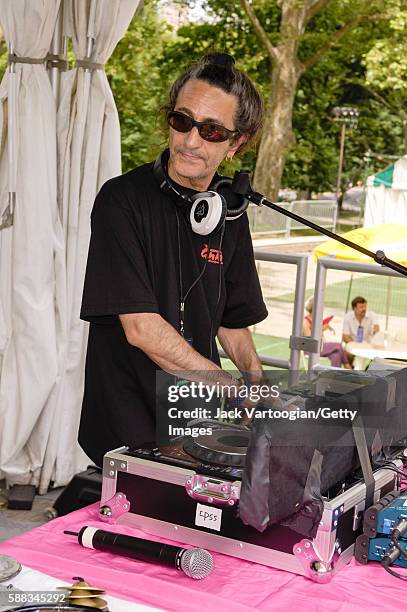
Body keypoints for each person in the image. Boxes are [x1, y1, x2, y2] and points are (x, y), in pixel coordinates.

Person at [78, 53, 268, 467]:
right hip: (128, 428)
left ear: (236, 143)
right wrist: (230, 386)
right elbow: (141, 328)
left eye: (212, 130)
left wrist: (259, 384)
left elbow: (232, 323)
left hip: (195, 426)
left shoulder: (228, 212)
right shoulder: (121, 201)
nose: (190, 141)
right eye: (182, 121)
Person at [303, 298, 351, 369]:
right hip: (311, 349)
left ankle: (334, 377)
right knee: (338, 346)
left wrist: (323, 328)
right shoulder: (305, 322)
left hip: (320, 347)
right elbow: (310, 341)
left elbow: (321, 337)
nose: (322, 310)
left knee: (336, 355)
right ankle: (348, 367)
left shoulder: (317, 320)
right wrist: (321, 329)